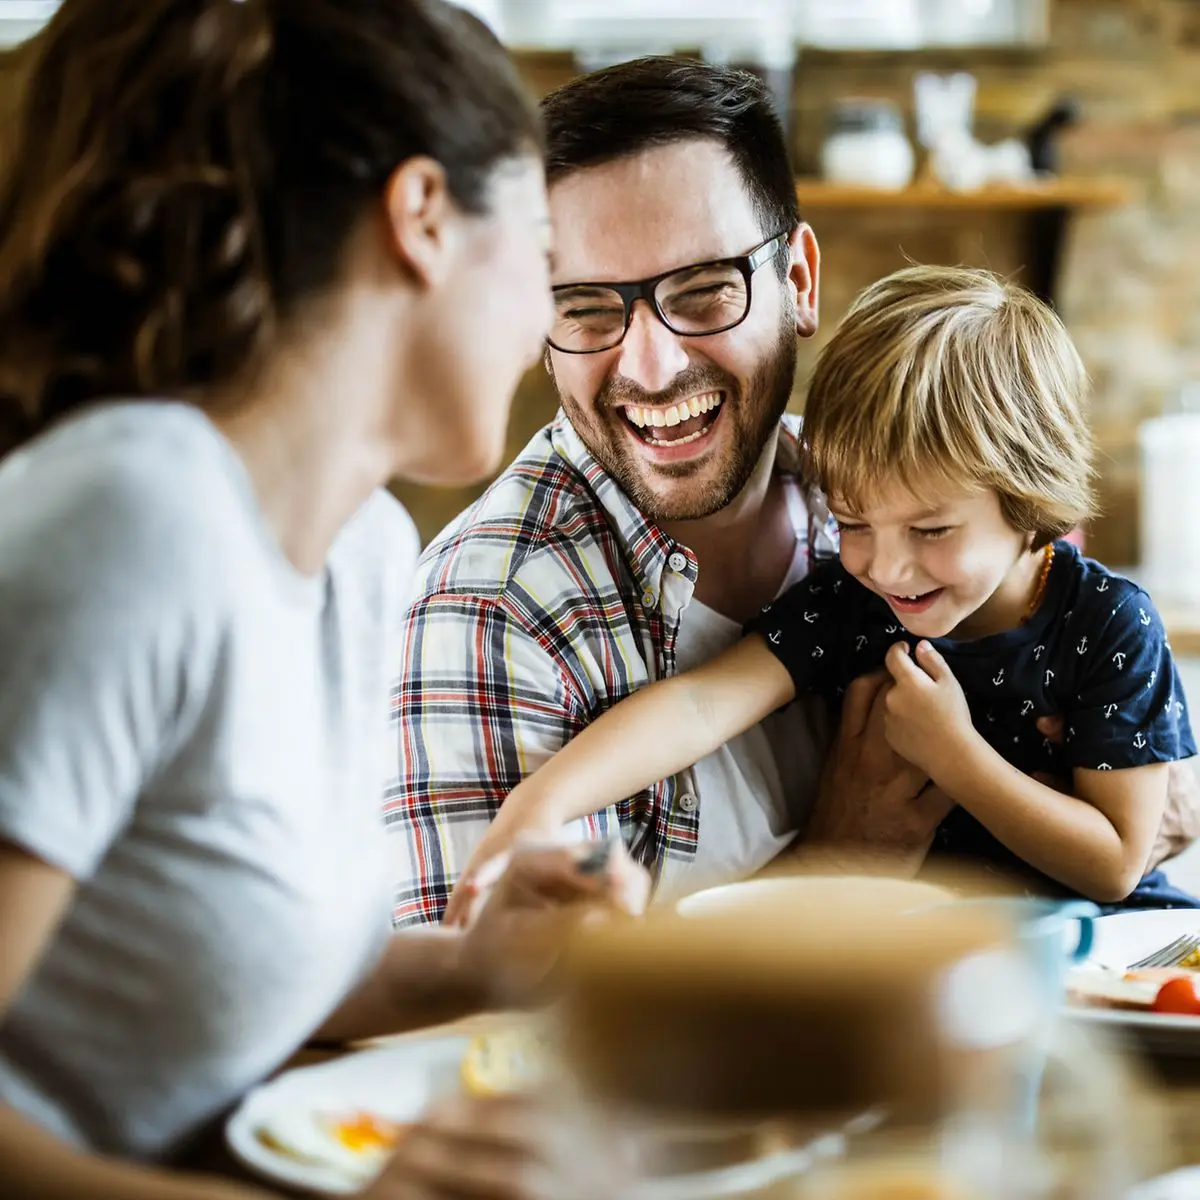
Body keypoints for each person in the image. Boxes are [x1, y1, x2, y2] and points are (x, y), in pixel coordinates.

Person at [0, 2, 647, 1198]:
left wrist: (480, 965)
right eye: (547, 258)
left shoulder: (359, 551)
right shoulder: (133, 518)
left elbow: (216, 972)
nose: (545, 330)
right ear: (423, 219)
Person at [389, 54, 1200, 924]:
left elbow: (1131, 845)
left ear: (800, 283)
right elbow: (508, 1031)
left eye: (704, 292)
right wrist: (844, 860)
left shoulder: (873, 490)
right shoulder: (493, 611)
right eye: (585, 307)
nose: (653, 367)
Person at [445, 266, 1198, 913]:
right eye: (854, 522)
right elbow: (701, 704)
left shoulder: (1108, 623)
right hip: (924, 957)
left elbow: (1115, 864)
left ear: (1032, 501)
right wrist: (540, 804)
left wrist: (956, 754)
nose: (888, 567)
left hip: (1108, 957)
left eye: (932, 531)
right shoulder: (851, 602)